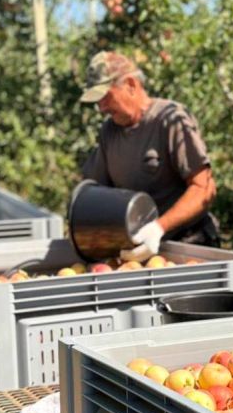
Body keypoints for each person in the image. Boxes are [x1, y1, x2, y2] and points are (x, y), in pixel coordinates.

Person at [79, 51, 219, 261]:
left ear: (131, 85)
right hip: (139, 252)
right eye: (97, 101)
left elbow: (204, 189)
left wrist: (158, 228)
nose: (101, 108)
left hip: (187, 246)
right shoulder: (109, 132)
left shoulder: (170, 119)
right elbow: (96, 191)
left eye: (105, 97)